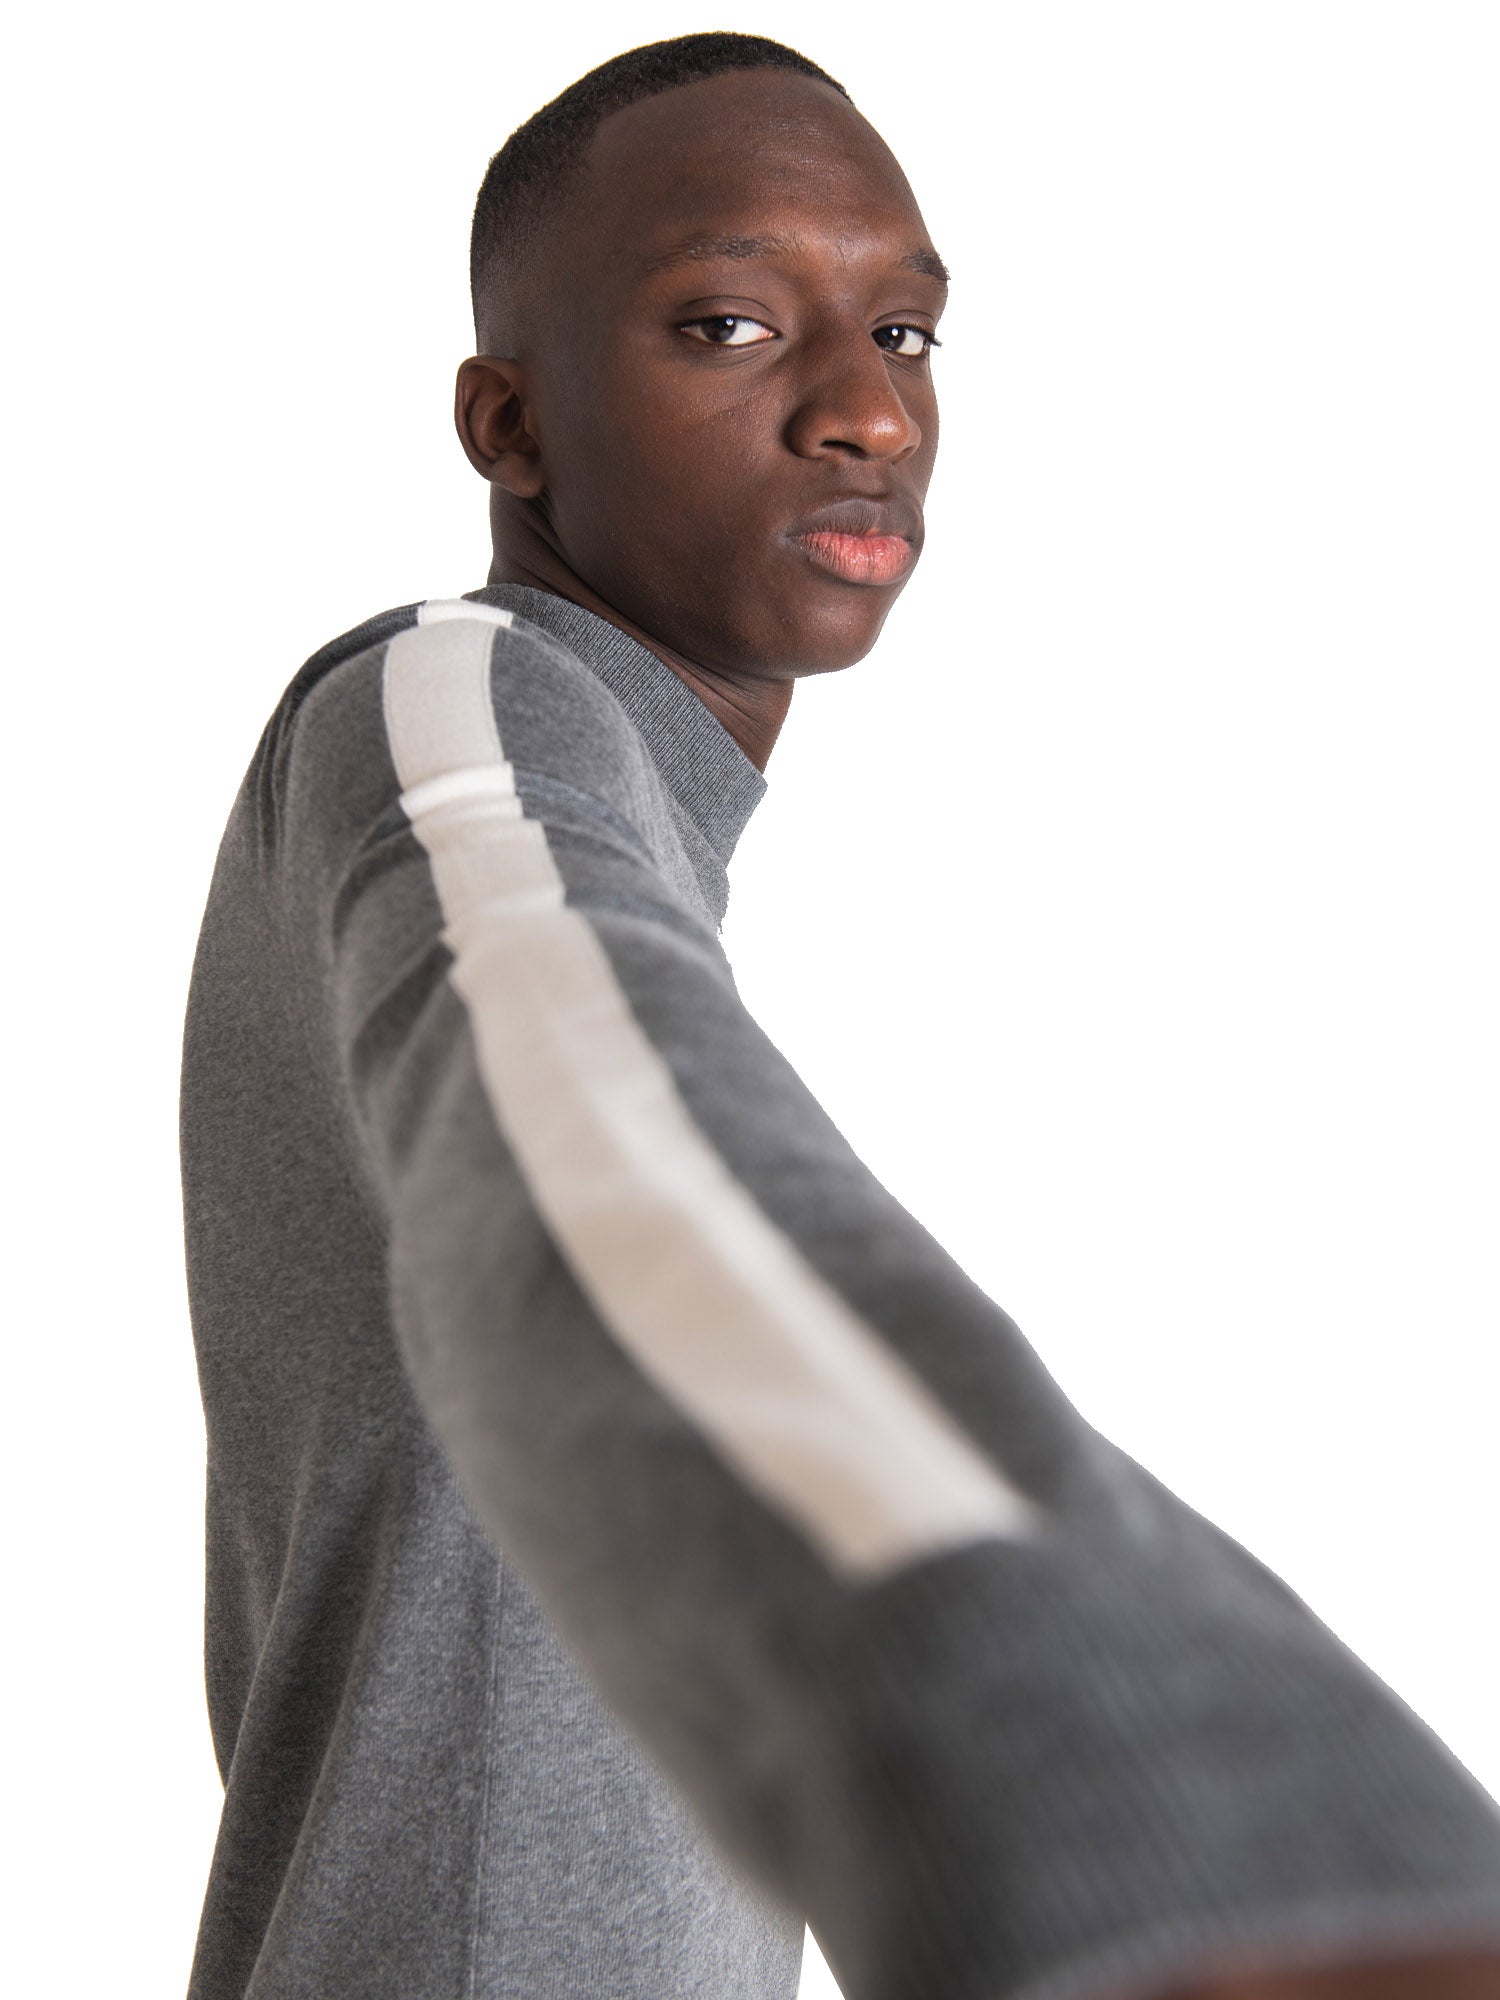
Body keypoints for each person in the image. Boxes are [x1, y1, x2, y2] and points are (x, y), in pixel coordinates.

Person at [178, 30, 1500, 2000]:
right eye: (727, 323)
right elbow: (610, 1163)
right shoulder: (453, 704)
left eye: (904, 332)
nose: (868, 411)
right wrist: (1181, 1817)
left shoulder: (619, 794)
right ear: (509, 424)